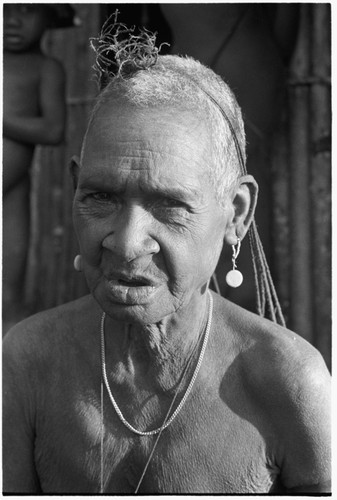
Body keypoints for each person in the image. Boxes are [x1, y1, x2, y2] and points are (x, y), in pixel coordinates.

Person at [2, 21, 330, 494]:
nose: (127, 243)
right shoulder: (25, 363)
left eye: (170, 205)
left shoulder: (290, 384)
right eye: (101, 198)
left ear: (236, 214)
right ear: (74, 188)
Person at [2, 4, 77, 333]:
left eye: (27, 11)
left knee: (7, 291)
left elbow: (53, 130)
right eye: (4, 10)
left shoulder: (46, 68)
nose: (11, 20)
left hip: (12, 187)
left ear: (50, 18)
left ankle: (8, 365)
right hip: (12, 183)